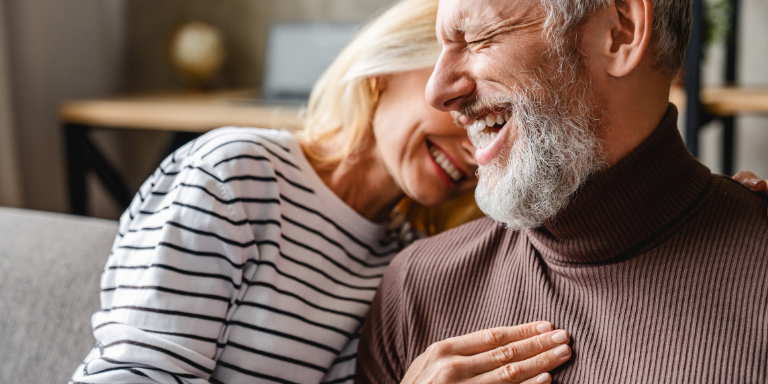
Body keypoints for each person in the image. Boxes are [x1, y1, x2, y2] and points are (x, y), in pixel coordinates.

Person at [69, 1, 580, 383]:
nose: (475, 152)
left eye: (491, 124)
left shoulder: (404, 259)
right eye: (458, 103)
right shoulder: (237, 174)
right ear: (385, 72)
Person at [357, 0, 768, 383]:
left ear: (619, 33)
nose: (438, 90)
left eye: (477, 38)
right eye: (443, 46)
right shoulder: (416, 290)